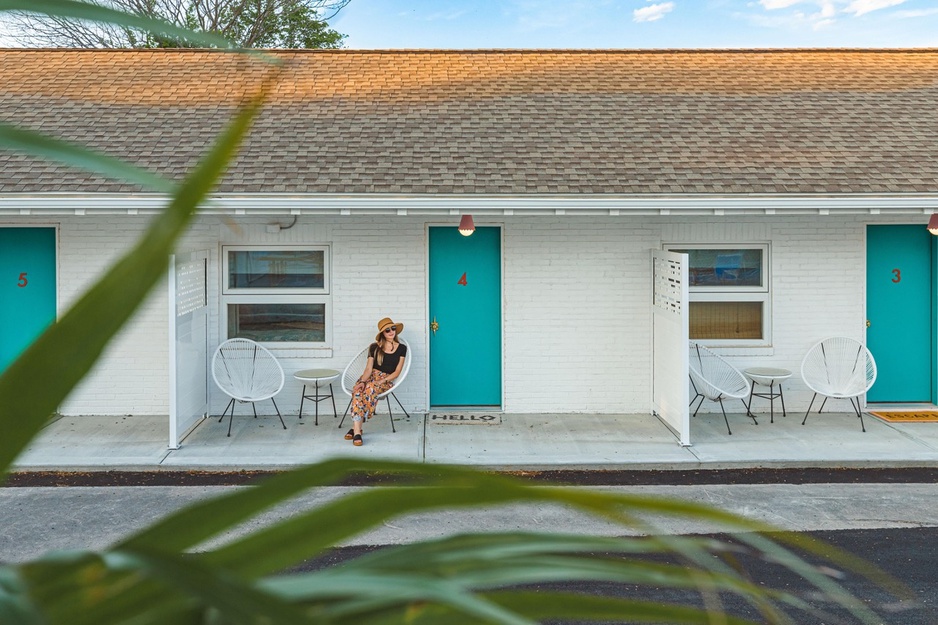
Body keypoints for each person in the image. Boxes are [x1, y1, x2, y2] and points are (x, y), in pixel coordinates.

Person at [345, 317, 407, 446]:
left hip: (386, 380)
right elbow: (368, 368)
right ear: (382, 334)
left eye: (393, 328)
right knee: (358, 391)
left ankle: (356, 428)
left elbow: (397, 372)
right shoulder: (374, 347)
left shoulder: (402, 348)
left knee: (370, 389)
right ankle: (357, 430)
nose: (391, 332)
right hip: (370, 377)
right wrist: (362, 381)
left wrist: (382, 381)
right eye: (387, 330)